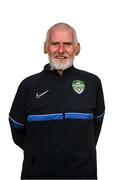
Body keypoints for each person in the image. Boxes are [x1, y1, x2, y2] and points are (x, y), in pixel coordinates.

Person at [9, 22, 105, 179]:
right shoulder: (28, 86)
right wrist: (38, 156)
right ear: (45, 47)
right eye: (55, 44)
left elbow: (96, 125)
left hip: (83, 174)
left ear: (77, 48)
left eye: (67, 44)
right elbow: (16, 128)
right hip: (37, 175)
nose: (61, 50)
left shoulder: (92, 83)